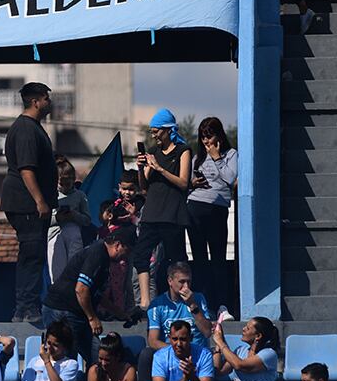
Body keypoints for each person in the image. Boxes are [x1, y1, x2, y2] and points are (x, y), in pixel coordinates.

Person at [2, 81, 56, 324]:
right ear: (35, 101)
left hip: (30, 203)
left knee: (33, 253)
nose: (49, 102)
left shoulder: (34, 127)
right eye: (46, 98)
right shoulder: (25, 129)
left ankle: (26, 306)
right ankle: (26, 307)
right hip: (25, 204)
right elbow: (26, 169)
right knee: (31, 253)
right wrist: (39, 201)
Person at [42, 227, 136, 361]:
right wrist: (92, 318)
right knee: (66, 359)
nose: (125, 258)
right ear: (118, 245)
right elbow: (81, 289)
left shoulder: (102, 257)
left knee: (96, 355)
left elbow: (96, 293)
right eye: (127, 251)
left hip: (76, 311)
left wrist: (119, 313)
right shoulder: (97, 253)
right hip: (63, 309)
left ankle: (91, 380)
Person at [133, 109, 193, 310]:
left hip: (172, 215)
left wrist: (160, 169)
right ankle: (145, 300)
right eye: (151, 132)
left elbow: (184, 182)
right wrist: (141, 168)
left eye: (156, 131)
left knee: (175, 260)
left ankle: (181, 300)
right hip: (152, 213)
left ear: (168, 130)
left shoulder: (183, 150)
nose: (154, 136)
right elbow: (143, 187)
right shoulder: (155, 152)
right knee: (141, 254)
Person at [185, 117, 236, 308]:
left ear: (219, 135)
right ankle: (203, 303)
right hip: (196, 206)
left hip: (217, 209)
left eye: (210, 135)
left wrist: (216, 157)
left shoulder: (231, 154)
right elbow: (186, 181)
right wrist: (192, 183)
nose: (206, 141)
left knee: (218, 258)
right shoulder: (197, 157)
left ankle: (222, 304)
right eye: (203, 137)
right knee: (199, 259)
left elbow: (230, 178)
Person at [48, 156, 91, 275]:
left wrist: (74, 215)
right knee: (57, 272)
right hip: (54, 234)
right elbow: (43, 220)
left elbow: (87, 220)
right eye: (62, 183)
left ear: (73, 179)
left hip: (74, 234)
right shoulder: (50, 195)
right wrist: (58, 218)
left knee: (74, 270)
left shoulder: (80, 196)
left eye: (68, 182)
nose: (65, 186)